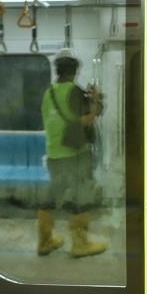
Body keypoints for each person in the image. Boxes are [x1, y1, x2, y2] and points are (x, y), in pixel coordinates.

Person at [37, 48, 106, 257]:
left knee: (51, 197)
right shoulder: (74, 91)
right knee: (81, 197)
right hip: (75, 154)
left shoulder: (48, 93)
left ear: (57, 70)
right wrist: (93, 100)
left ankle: (44, 241)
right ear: (75, 71)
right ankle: (80, 244)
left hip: (53, 154)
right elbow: (88, 118)